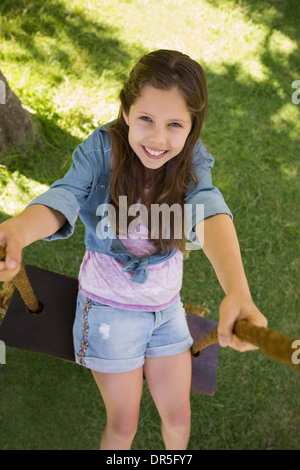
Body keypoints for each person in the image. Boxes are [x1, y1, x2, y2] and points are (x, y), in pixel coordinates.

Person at [0, 49, 267, 450]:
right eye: (146, 119)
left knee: (178, 418)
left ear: (193, 125)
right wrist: (19, 230)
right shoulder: (101, 152)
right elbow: (65, 196)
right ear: (126, 111)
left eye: (175, 124)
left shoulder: (192, 160)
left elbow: (208, 211)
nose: (158, 138)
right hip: (108, 309)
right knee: (123, 426)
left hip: (166, 310)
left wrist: (238, 291)